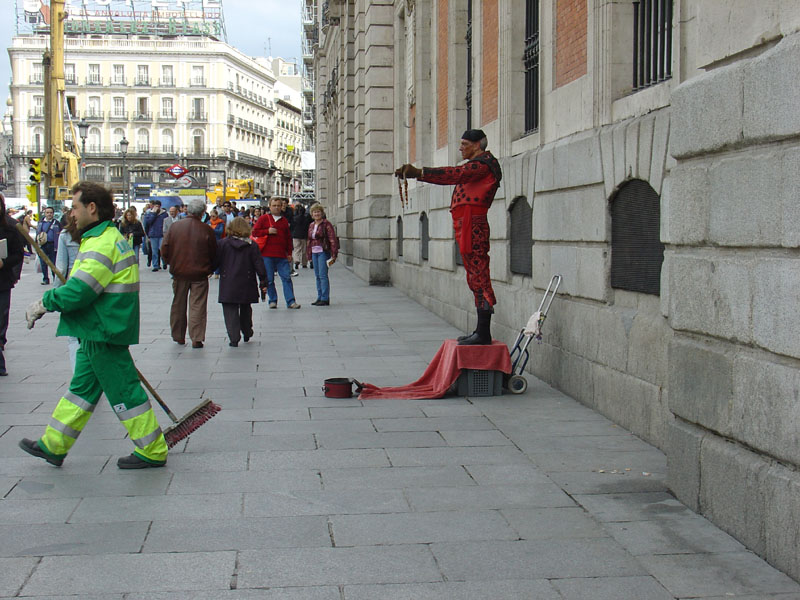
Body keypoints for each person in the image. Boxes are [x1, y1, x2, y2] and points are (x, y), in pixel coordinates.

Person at [20, 181, 168, 469]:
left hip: (103, 328)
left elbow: (80, 291)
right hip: (98, 328)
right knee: (81, 391)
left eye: (74, 207)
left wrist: (44, 303)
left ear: (91, 208)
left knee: (124, 390)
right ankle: (54, 444)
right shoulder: (101, 237)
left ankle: (152, 449)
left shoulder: (102, 242)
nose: (70, 214)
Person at [395, 129, 502, 345]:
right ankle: (481, 331)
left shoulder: (483, 164)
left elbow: (456, 174)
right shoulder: (479, 163)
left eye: (465, 144)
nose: (460, 148)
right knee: (474, 275)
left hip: (473, 224)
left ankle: (483, 332)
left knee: (478, 274)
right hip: (467, 223)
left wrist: (420, 173)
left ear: (478, 144)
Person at [161, 198, 217, 348]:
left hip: (179, 272)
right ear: (202, 213)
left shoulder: (175, 227)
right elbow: (214, 252)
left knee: (178, 303)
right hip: (200, 273)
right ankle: (196, 337)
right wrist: (210, 268)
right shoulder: (206, 229)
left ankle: (178, 335)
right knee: (197, 305)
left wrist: (171, 263)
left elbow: (164, 248)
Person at [216, 217, 267, 347]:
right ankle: (247, 331)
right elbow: (259, 264)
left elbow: (215, 261)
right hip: (247, 280)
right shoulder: (251, 245)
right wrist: (263, 281)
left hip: (228, 281)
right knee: (245, 307)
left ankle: (234, 337)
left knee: (229, 309)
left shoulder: (223, 244)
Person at [252, 197, 301, 309]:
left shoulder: (284, 221)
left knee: (286, 278)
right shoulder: (264, 218)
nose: (276, 207)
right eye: (274, 205)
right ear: (270, 206)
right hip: (267, 255)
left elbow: (288, 238)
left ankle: (291, 301)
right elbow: (254, 232)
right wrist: (267, 231)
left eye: (278, 205)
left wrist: (289, 253)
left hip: (281, 255)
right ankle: (272, 300)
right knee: (269, 279)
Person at [0, 193, 24, 377]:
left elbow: (18, 253)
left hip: (2, 280)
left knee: (1, 317)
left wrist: (4, 262)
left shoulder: (9, 228)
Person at [54, 209, 81, 369]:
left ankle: (78, 374)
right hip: (92, 285)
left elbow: (61, 267)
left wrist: (57, 293)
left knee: (73, 336)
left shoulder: (65, 235)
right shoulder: (95, 235)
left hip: (71, 285)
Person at [306, 203, 338, 306]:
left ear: (322, 213)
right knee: (317, 276)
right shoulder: (311, 225)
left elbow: (332, 239)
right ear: (312, 214)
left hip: (323, 251)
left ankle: (325, 298)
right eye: (314, 212)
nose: (316, 214)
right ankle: (319, 297)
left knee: (323, 275)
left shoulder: (326, 224)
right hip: (314, 251)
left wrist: (334, 253)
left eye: (318, 212)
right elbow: (309, 240)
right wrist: (308, 254)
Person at [35, 206, 61, 285]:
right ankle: (45, 279)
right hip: (43, 245)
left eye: (51, 213)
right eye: (47, 213)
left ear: (53, 214)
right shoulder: (41, 223)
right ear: (45, 213)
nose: (49, 214)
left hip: (53, 245)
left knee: (53, 263)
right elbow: (37, 234)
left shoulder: (56, 223)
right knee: (43, 262)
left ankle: (54, 278)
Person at [142, 199, 168, 271]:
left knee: (162, 249)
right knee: (154, 251)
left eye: (158, 206)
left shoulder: (164, 214)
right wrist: (154, 214)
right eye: (156, 206)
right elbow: (148, 223)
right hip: (153, 234)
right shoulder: (149, 213)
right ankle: (155, 265)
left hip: (161, 234)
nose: (157, 208)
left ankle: (164, 262)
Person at [291, 204, 312, 270]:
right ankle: (304, 263)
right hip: (304, 235)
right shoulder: (307, 217)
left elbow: (292, 226)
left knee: (296, 249)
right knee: (304, 250)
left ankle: (296, 260)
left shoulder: (294, 217)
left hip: (295, 235)